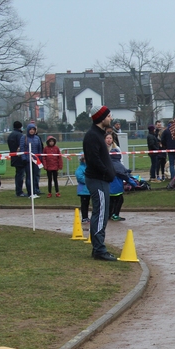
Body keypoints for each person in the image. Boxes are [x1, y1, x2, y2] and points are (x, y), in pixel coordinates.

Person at [83, 105, 117, 261]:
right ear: (100, 117)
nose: (111, 118)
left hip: (102, 180)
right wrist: (106, 172)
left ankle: (98, 247)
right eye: (108, 116)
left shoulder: (98, 134)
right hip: (97, 179)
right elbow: (94, 159)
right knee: (101, 213)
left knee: (102, 213)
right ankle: (99, 250)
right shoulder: (92, 136)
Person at [19, 122, 43, 196]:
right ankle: (30, 192)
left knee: (35, 176)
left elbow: (39, 149)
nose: (32, 131)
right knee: (29, 176)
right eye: (31, 129)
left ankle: (35, 190)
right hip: (28, 160)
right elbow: (22, 148)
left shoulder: (37, 138)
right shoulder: (24, 138)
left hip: (36, 160)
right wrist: (24, 158)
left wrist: (40, 158)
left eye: (33, 129)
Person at [7, 121, 27, 196]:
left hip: (14, 156)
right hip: (20, 157)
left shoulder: (10, 135)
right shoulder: (20, 135)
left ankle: (18, 190)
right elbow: (22, 146)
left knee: (18, 174)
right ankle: (19, 192)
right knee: (20, 175)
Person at [75, 155, 91, 223]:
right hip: (83, 190)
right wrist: (89, 180)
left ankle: (87, 217)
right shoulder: (80, 168)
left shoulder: (89, 167)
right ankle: (84, 217)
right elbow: (79, 177)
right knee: (84, 204)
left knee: (88, 203)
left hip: (89, 190)